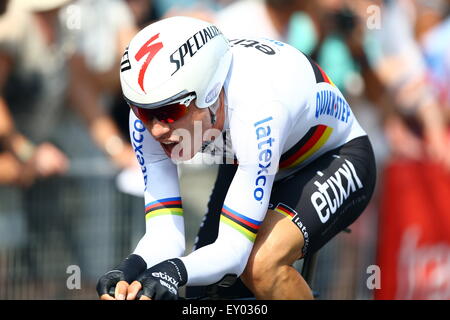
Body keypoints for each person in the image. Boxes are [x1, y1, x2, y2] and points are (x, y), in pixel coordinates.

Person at [96, 16, 376, 300]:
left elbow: (233, 252)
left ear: (210, 93)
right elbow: (165, 235)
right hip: (249, 159)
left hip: (335, 157)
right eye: (144, 112)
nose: (156, 129)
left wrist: (170, 272)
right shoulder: (147, 114)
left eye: (170, 112)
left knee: (261, 265)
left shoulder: (257, 109)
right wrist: (128, 270)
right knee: (202, 295)